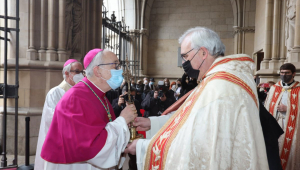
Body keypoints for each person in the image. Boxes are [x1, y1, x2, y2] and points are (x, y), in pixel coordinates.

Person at [125, 27, 269, 169]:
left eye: (185, 57)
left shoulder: (220, 87)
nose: (183, 63)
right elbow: (189, 118)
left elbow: (199, 149)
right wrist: (152, 123)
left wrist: (143, 147)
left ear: (203, 53)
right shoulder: (215, 80)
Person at [40, 49, 137, 170]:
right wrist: (123, 120)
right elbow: (92, 146)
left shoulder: (99, 95)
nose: (120, 70)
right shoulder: (76, 98)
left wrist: (123, 134)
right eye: (115, 65)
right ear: (98, 71)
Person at [34, 59, 84, 170]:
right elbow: (51, 118)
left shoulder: (83, 93)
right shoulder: (55, 93)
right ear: (66, 73)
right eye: (77, 71)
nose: (81, 75)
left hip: (79, 142)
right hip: (61, 142)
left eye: (82, 72)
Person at [264, 63, 300, 169]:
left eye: (287, 73)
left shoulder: (298, 89)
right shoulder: (275, 88)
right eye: (282, 73)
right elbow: (267, 106)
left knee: (291, 150)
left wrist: (288, 109)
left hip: (293, 127)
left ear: (293, 74)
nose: (284, 75)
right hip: (276, 124)